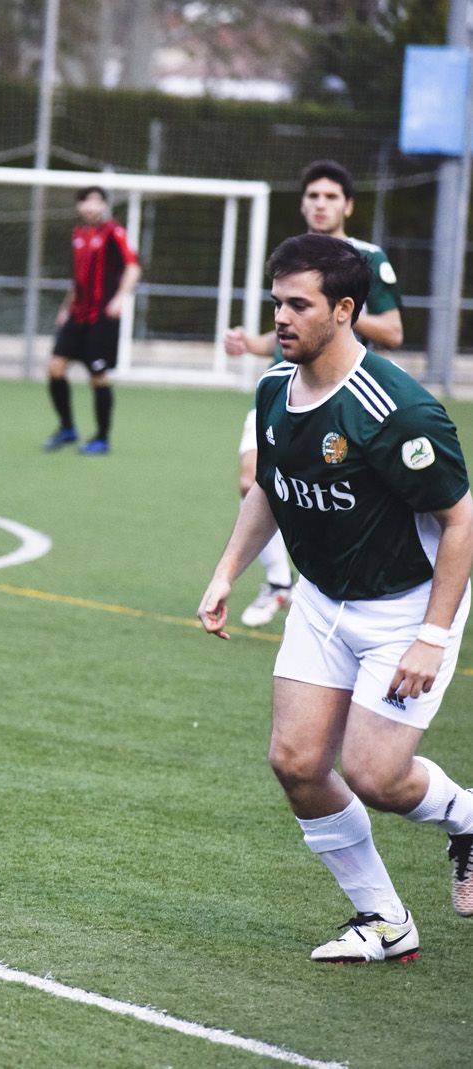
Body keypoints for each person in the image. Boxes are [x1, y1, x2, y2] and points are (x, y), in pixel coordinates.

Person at [197, 233, 473, 964]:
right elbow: (270, 488)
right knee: (294, 761)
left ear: (345, 310)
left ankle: (468, 817)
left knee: (376, 776)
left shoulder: (397, 411)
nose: (280, 318)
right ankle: (384, 917)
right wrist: (227, 570)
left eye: (298, 304)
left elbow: (462, 521)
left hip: (404, 608)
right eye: (276, 302)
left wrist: (433, 636)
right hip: (322, 600)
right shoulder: (273, 391)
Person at [223, 159, 405, 628]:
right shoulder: (295, 258)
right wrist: (251, 344)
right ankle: (281, 583)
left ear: (347, 205)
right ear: (302, 203)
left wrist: (337, 302)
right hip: (281, 391)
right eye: (313, 196)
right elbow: (284, 334)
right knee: (253, 481)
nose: (320, 204)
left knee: (333, 496)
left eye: (330, 196)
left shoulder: (368, 258)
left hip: (342, 400)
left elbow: (393, 332)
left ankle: (327, 588)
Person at [42, 185, 140, 456]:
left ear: (105, 206)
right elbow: (78, 278)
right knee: (55, 367)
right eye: (86, 201)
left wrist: (120, 298)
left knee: (97, 375)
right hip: (77, 314)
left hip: (101, 317)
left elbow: (133, 266)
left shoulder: (114, 233)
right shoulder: (78, 234)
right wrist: (65, 308)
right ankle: (67, 428)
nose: (91, 206)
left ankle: (102, 437)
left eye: (97, 201)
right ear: (79, 206)